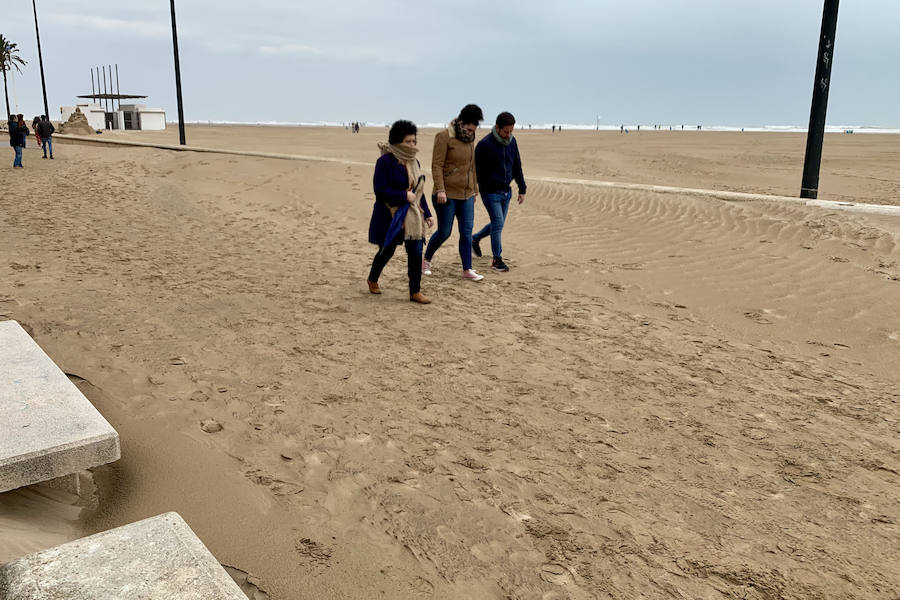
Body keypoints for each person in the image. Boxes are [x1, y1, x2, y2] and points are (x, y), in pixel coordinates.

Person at [366, 119, 435, 304]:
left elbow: (418, 191)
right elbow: (379, 190)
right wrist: (403, 196)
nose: (412, 145)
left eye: (414, 141)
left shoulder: (415, 161)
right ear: (397, 142)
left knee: (415, 251)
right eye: (408, 142)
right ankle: (373, 279)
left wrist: (427, 213)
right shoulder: (385, 161)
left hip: (413, 216)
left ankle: (415, 292)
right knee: (386, 251)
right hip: (390, 215)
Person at [423, 103, 484, 281]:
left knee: (466, 232)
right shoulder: (444, 137)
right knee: (444, 232)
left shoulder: (470, 138)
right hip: (446, 195)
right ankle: (426, 260)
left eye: (474, 129)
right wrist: (440, 189)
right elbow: (437, 165)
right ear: (461, 122)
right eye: (469, 128)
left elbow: (471, 166)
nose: (472, 132)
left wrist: (474, 189)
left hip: (466, 194)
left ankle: (467, 269)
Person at [472, 112, 526, 272]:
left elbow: (517, 165)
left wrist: (522, 188)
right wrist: (475, 189)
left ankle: (474, 239)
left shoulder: (512, 141)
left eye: (511, 131)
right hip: (490, 192)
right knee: (497, 223)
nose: (509, 134)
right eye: (506, 131)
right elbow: (476, 171)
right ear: (497, 128)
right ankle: (497, 259)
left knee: (498, 223)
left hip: (506, 192)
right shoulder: (484, 145)